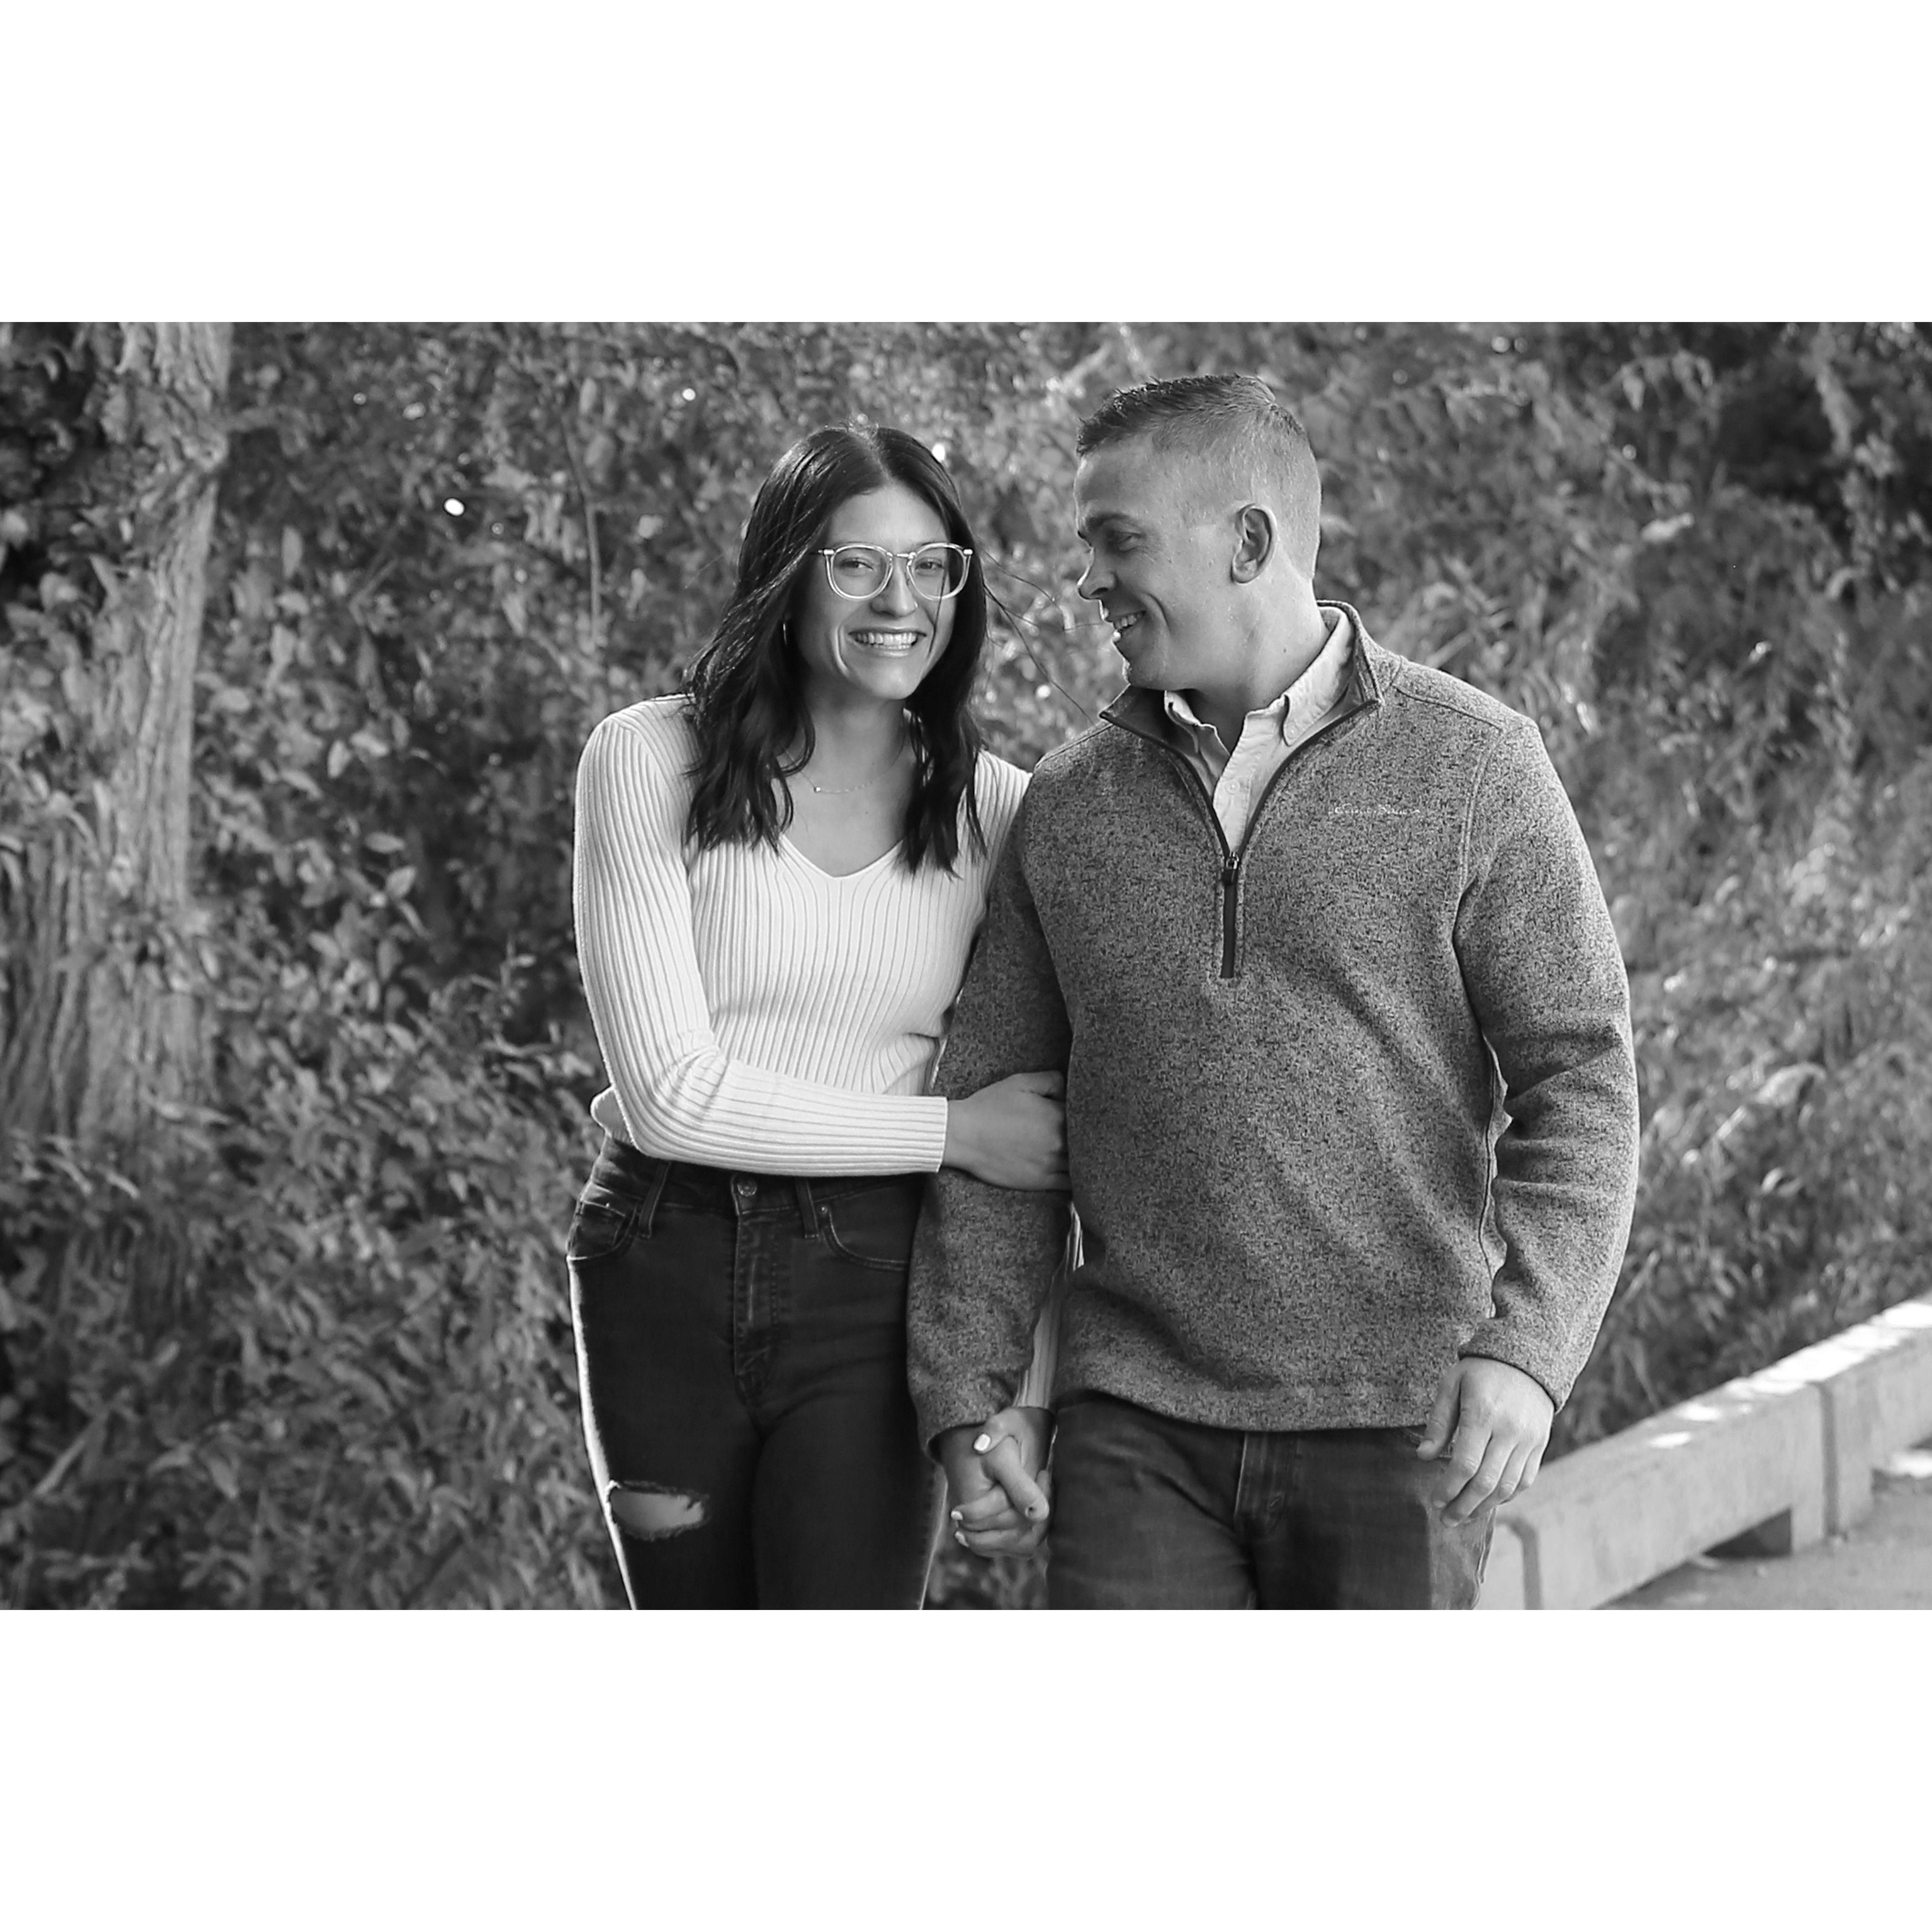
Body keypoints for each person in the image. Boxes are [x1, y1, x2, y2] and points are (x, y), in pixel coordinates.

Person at [907, 373, 1642, 1609]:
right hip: (1134, 1421)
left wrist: (1530, 1348)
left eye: (1118, 540)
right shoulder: (1071, 805)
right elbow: (998, 1107)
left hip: (1400, 1420)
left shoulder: (1474, 764)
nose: (1087, 580)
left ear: (1248, 542)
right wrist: (976, 1394)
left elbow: (1583, 1076)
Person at [569, 422, 1064, 1609]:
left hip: (878, 1278)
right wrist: (949, 1132)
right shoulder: (647, 762)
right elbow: (669, 1098)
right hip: (662, 1262)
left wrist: (1022, 1397)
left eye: (932, 565)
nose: (901, 600)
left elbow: (1044, 1142)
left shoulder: (1004, 816)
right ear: (787, 577)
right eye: (857, 564)